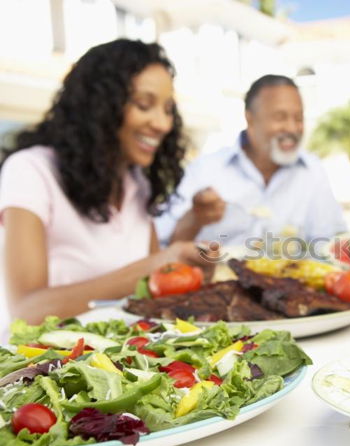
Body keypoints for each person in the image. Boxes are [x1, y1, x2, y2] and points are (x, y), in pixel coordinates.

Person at [0, 39, 210, 325]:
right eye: (144, 105)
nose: (162, 123)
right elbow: (26, 310)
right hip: (44, 363)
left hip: (120, 359)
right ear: (100, 106)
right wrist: (154, 266)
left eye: (168, 109)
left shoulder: (137, 182)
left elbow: (150, 291)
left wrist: (192, 269)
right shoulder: (32, 170)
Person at [157, 74, 346, 248]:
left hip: (293, 281)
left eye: (298, 118)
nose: (292, 127)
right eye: (280, 117)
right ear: (250, 119)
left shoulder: (313, 172)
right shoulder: (205, 170)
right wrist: (195, 218)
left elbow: (331, 245)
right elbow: (165, 246)